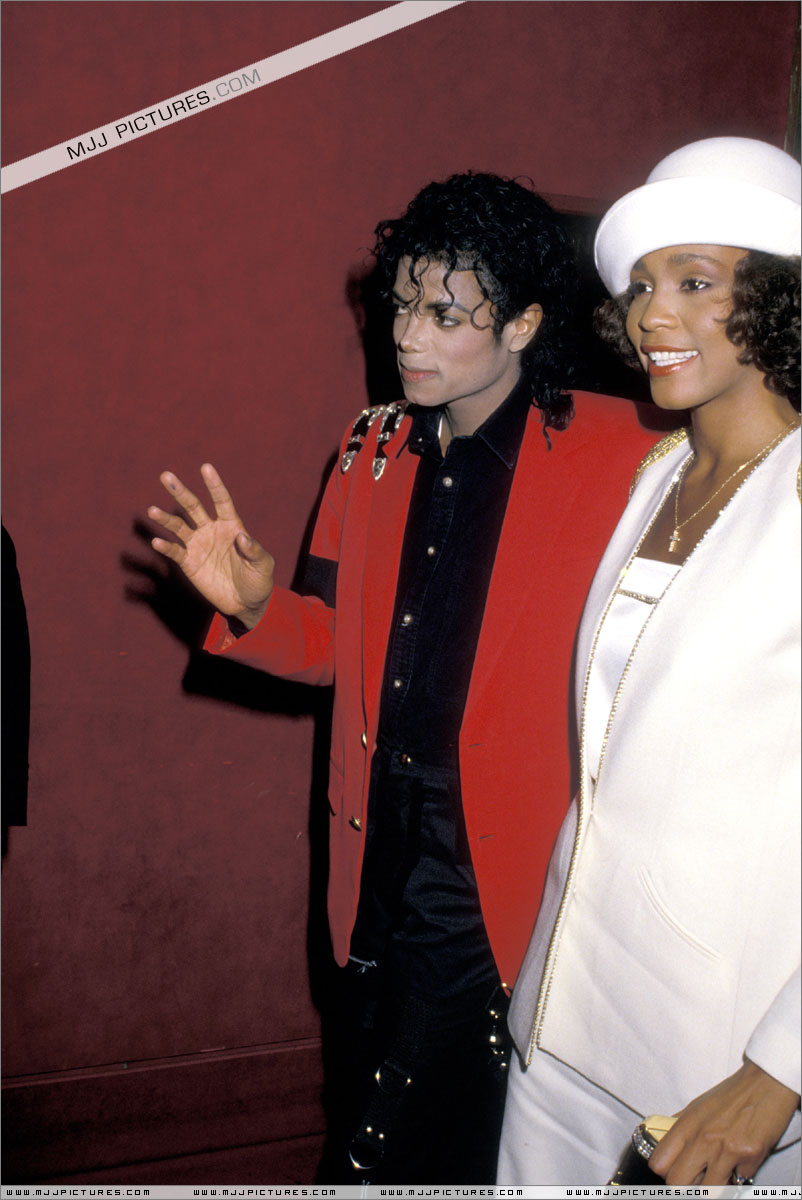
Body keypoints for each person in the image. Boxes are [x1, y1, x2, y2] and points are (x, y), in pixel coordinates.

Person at [147, 172, 658, 1182]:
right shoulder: (370, 447)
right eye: (402, 307)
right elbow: (332, 648)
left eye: (445, 316)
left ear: (522, 325)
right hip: (371, 841)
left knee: (400, 1140)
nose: (407, 338)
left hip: (501, 861)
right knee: (370, 1090)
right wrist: (252, 604)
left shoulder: (624, 450)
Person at [498, 137, 801, 1186]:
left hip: (720, 1063)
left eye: (695, 282)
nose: (650, 315)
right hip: (561, 1017)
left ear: (779, 299)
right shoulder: (658, 471)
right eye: (640, 288)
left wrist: (781, 1067)